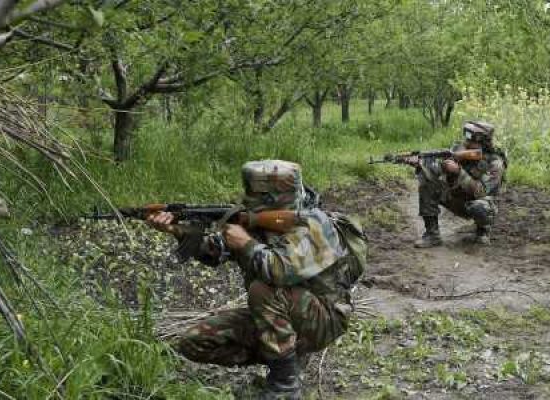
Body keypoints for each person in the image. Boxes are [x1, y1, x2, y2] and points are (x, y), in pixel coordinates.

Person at [147, 160, 366, 399]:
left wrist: (246, 243)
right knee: (194, 341)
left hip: (324, 321)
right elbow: (214, 251)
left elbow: (279, 271)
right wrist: (178, 231)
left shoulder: (316, 225)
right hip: (284, 317)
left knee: (263, 290)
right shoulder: (255, 221)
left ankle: (285, 387)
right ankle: (286, 358)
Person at [409, 121, 507, 247]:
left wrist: (459, 172)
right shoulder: (458, 150)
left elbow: (482, 192)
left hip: (478, 204)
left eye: (470, 140)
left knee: (480, 206)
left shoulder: (495, 163)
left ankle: (482, 232)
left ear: (482, 142)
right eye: (466, 138)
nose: (466, 142)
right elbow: (437, 171)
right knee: (426, 180)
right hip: (456, 198)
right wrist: (421, 165)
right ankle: (432, 234)